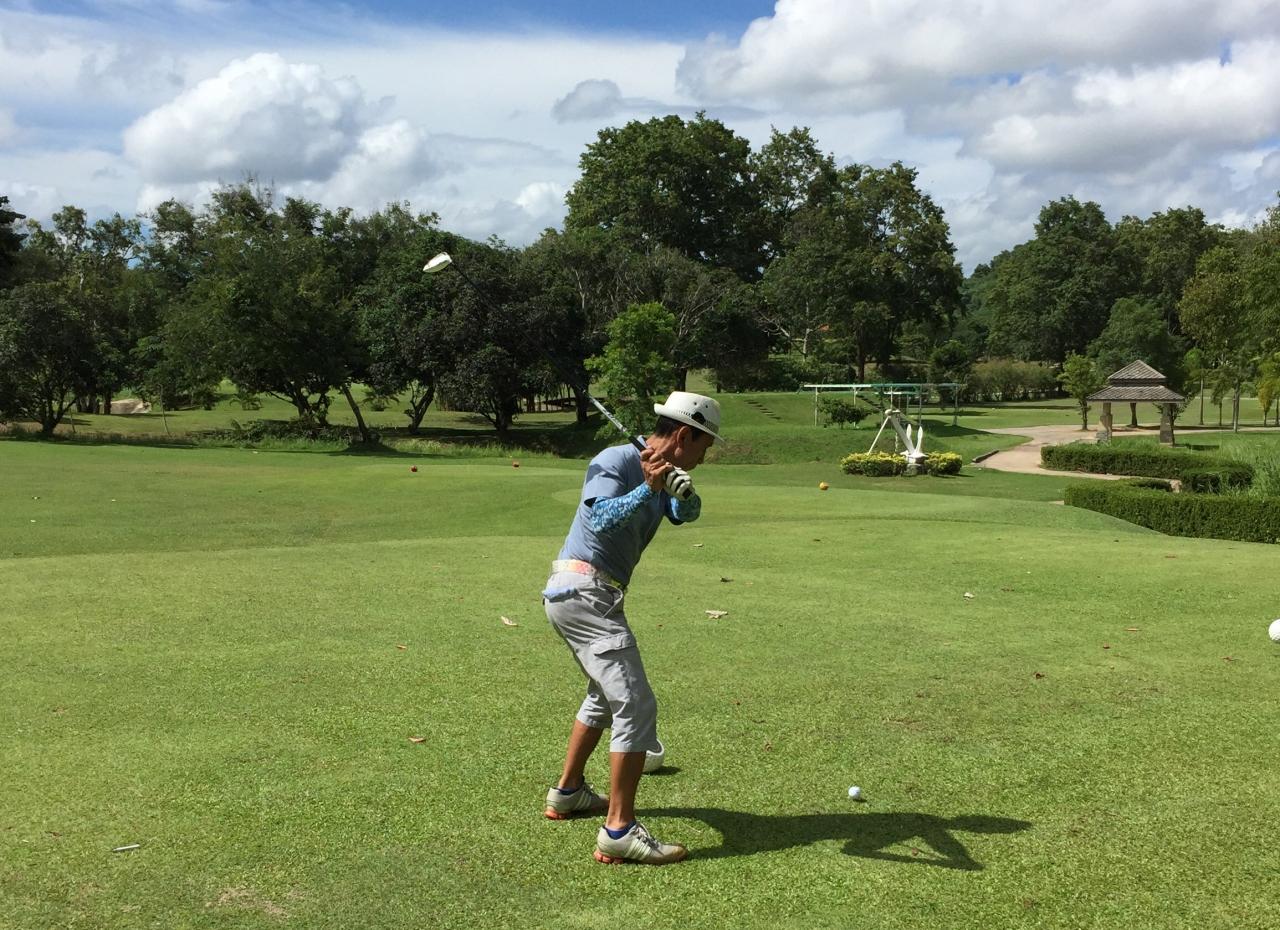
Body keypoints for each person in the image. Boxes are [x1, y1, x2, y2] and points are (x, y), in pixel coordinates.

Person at [541, 391, 723, 865]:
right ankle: (619, 830)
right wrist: (647, 487)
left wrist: (682, 492)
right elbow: (601, 519)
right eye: (704, 447)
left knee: (603, 697)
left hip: (592, 595)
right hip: (585, 591)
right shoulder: (616, 460)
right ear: (683, 435)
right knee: (636, 703)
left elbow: (687, 515)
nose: (704, 458)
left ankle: (568, 792)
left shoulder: (662, 469)